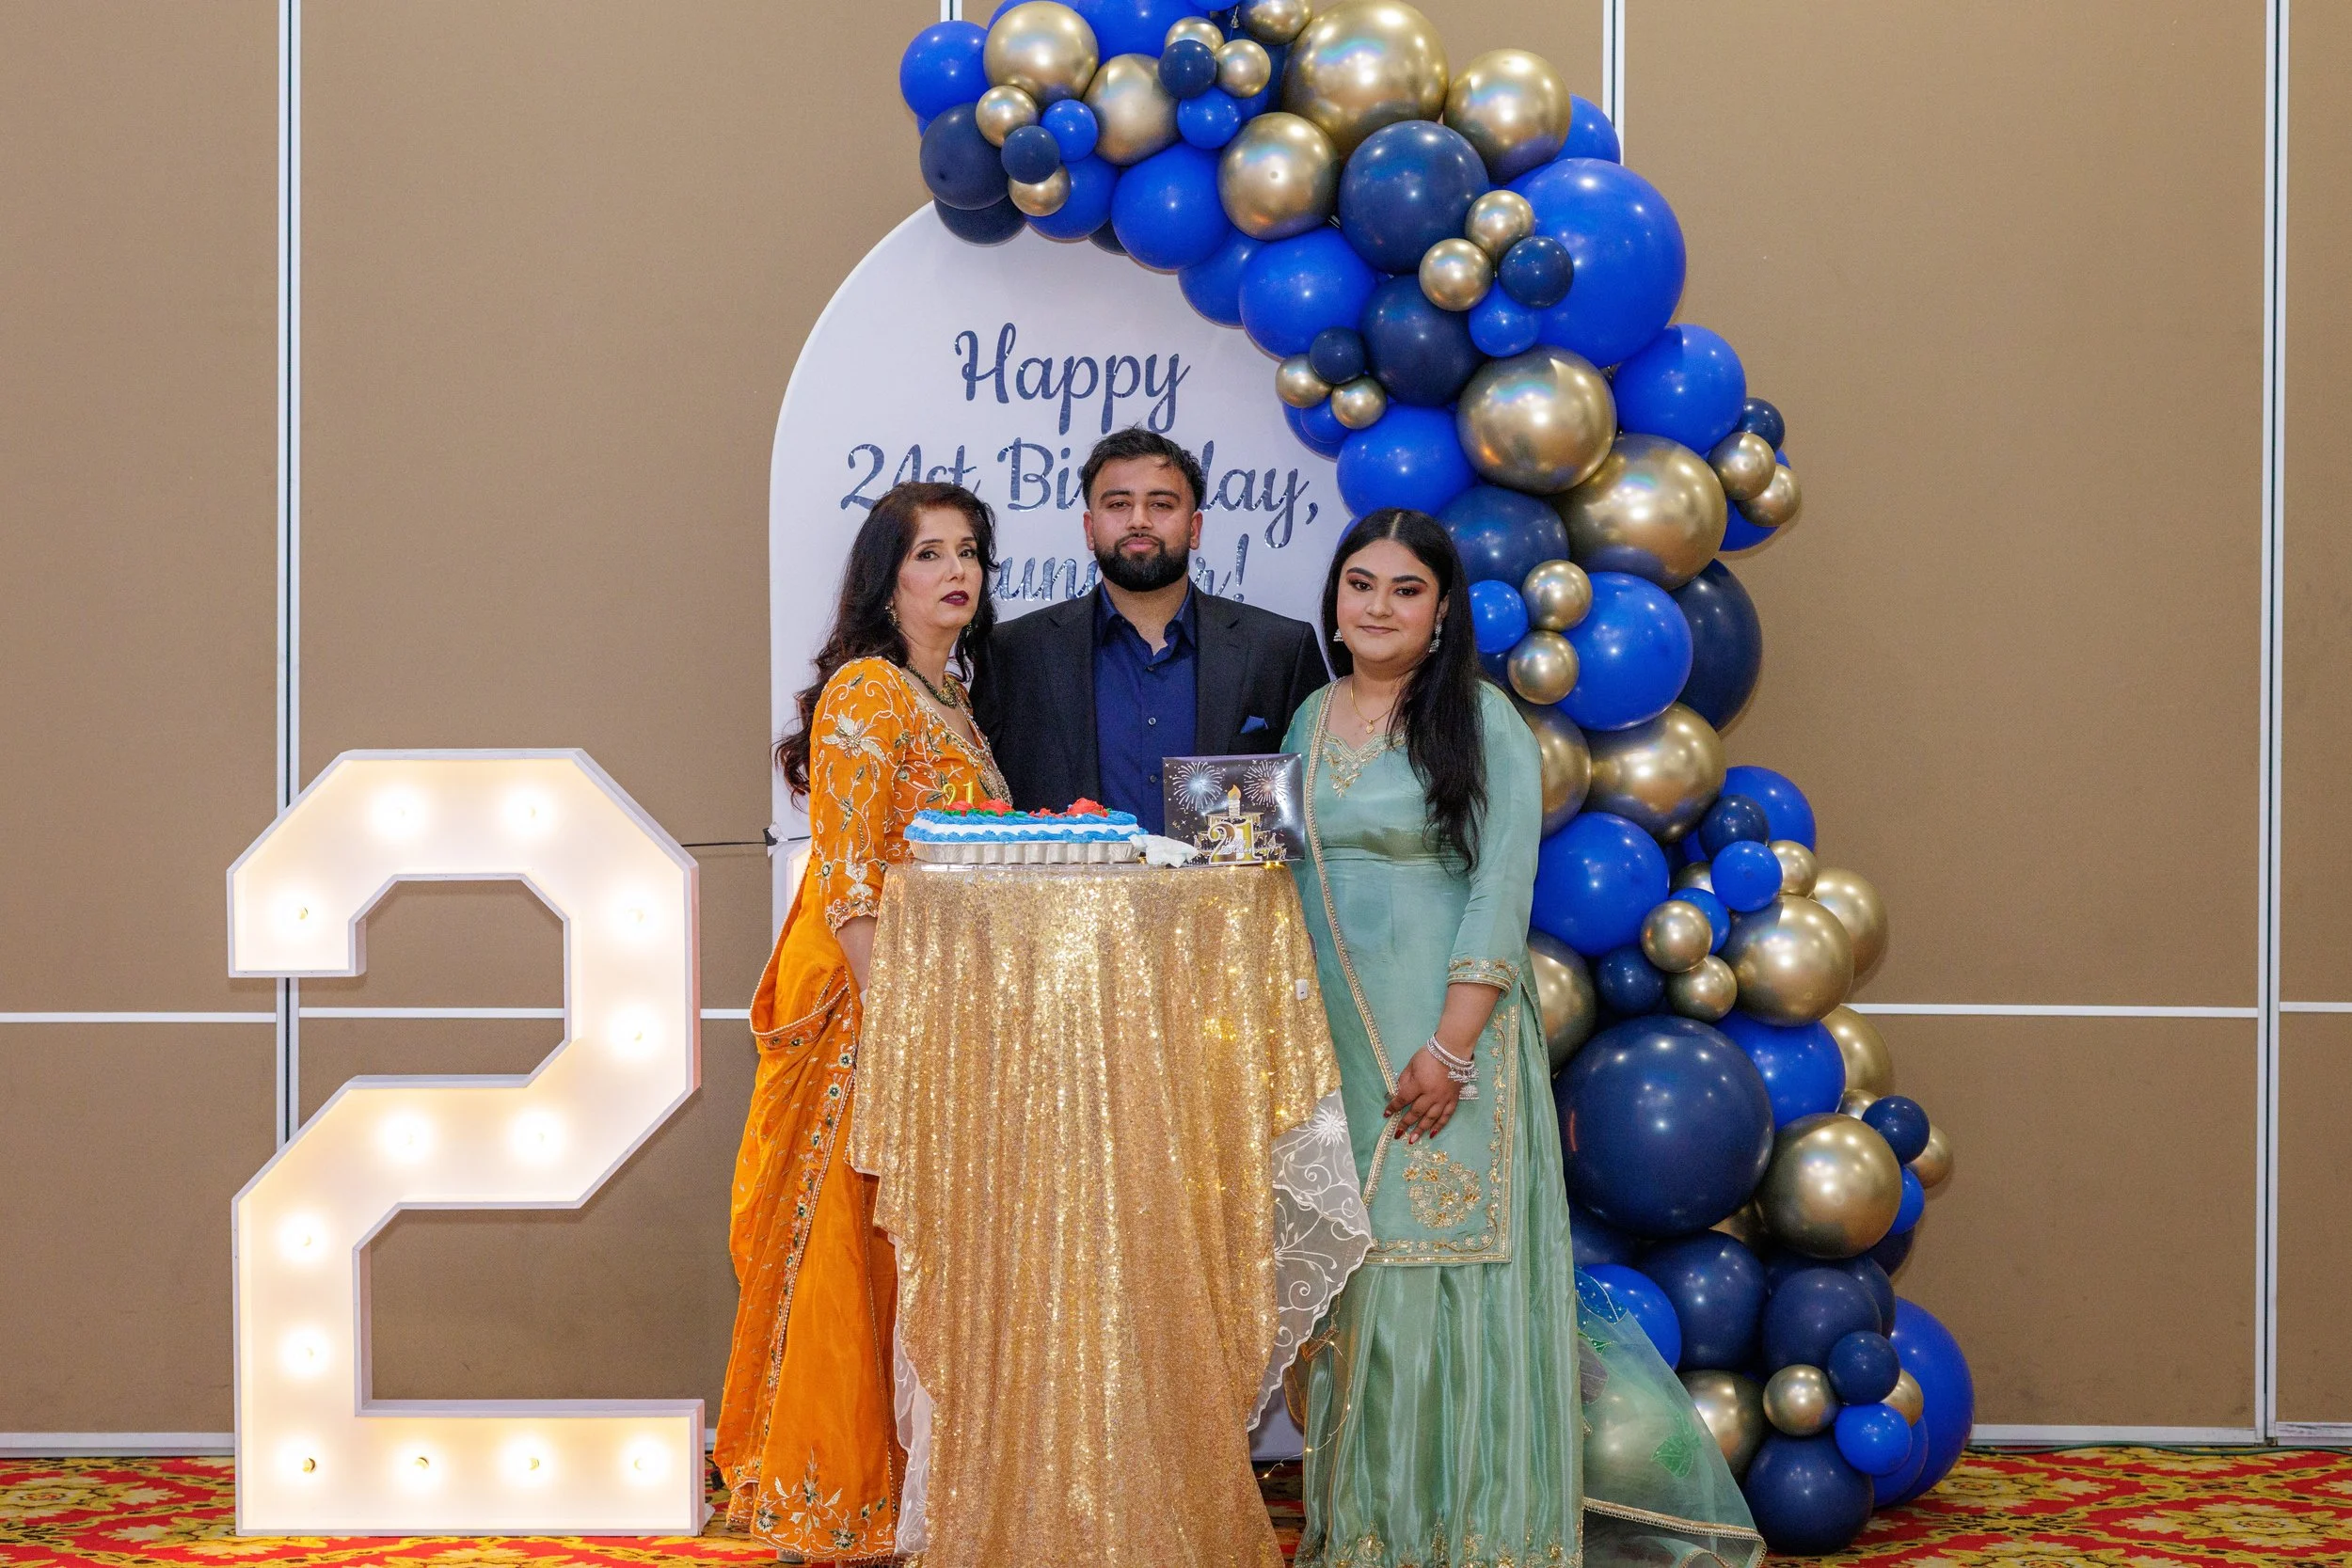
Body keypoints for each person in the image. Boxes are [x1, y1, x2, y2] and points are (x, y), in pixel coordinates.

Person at [1286, 509, 1761, 1568]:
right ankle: (1373, 1530)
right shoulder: (1309, 719)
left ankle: (1477, 1534)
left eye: (1405, 588)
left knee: (1442, 1275)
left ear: (1443, 608)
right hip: (1337, 1047)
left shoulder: (1482, 720)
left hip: (1450, 1049)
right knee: (1365, 1289)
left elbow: (1501, 891)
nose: (1375, 605)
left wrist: (1450, 1049)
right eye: (1359, 582)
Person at [717, 481, 1009, 1562]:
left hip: (947, 1006)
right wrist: (900, 1029)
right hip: (870, 1007)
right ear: (885, 575)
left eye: (969, 551)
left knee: (914, 1258)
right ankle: (834, 1506)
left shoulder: (951, 701)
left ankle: (905, 1498)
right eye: (929, 553)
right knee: (851, 1246)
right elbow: (846, 879)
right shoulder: (868, 693)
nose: (956, 572)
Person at [972, 427, 1327, 832]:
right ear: (1090, 529)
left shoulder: (1278, 649)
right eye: (1119, 504)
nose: (1139, 521)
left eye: (1161, 504)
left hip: (1229, 896)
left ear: (1194, 529)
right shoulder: (1013, 653)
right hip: (1066, 895)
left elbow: (1317, 808)